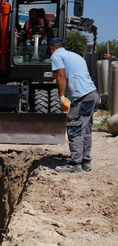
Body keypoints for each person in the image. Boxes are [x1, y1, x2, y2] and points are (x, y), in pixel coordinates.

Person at [49, 38, 101, 173]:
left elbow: (61, 75)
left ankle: (74, 164)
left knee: (74, 128)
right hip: (93, 95)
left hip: (82, 97)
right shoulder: (75, 56)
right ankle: (85, 161)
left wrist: (61, 97)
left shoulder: (56, 55)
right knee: (86, 129)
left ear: (51, 48)